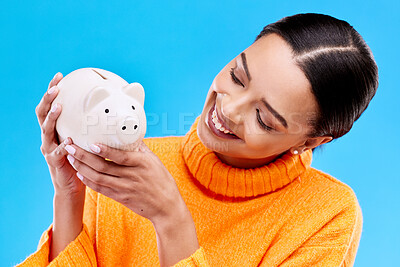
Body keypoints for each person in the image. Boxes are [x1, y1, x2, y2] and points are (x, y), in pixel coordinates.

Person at [18, 13, 378, 267]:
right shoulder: (130, 163)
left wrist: (170, 218)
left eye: (264, 119)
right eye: (237, 76)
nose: (229, 108)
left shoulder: (326, 214)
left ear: (311, 142)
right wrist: (69, 194)